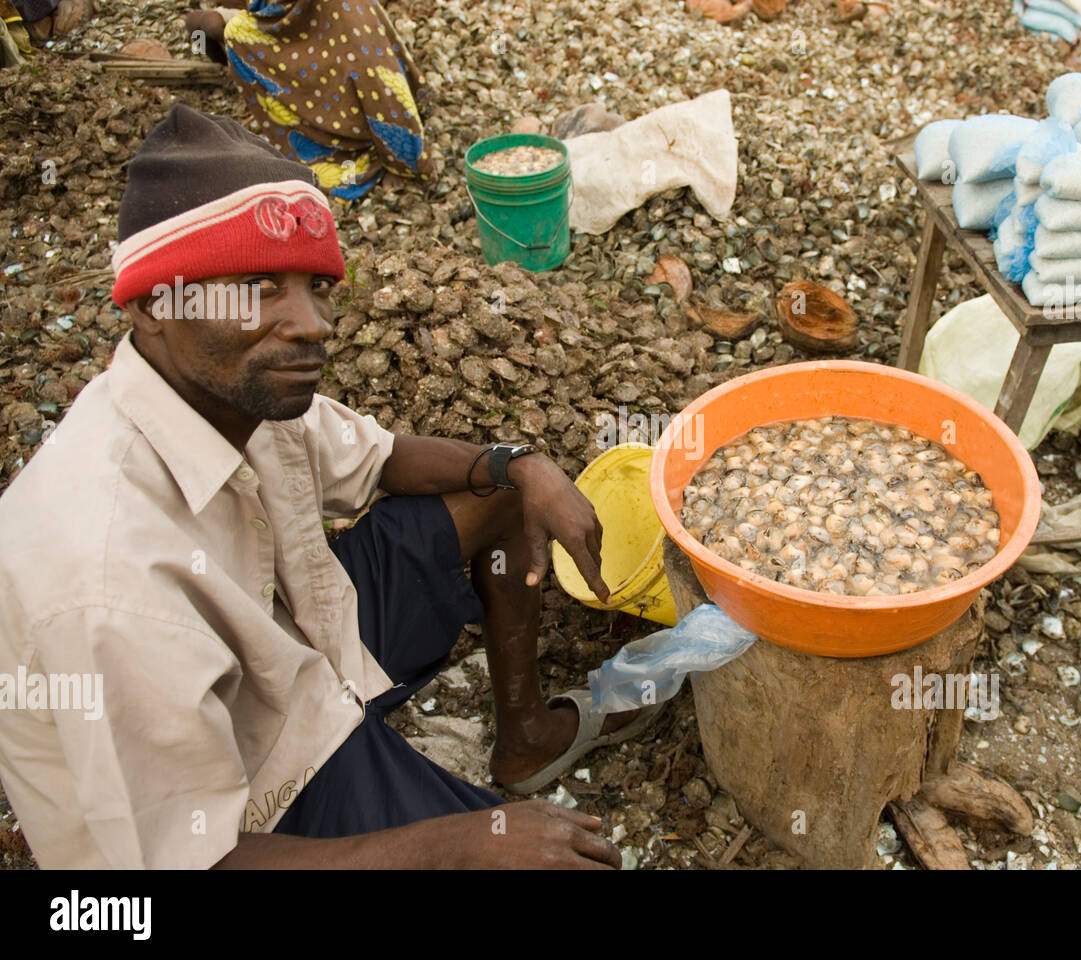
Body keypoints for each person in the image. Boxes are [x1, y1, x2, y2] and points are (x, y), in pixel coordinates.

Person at [0, 104, 660, 869]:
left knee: (504, 495)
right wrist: (458, 842)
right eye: (257, 286)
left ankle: (525, 739)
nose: (311, 323)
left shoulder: (238, 390)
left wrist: (521, 464)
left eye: (316, 286)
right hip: (254, 793)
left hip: (297, 651)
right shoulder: (103, 574)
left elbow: (382, 459)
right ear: (155, 305)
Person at [208, 0, 437, 198]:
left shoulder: (345, 13)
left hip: (351, 117)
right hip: (298, 45)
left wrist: (414, 162)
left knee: (214, 28)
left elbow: (381, 86)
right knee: (213, 27)